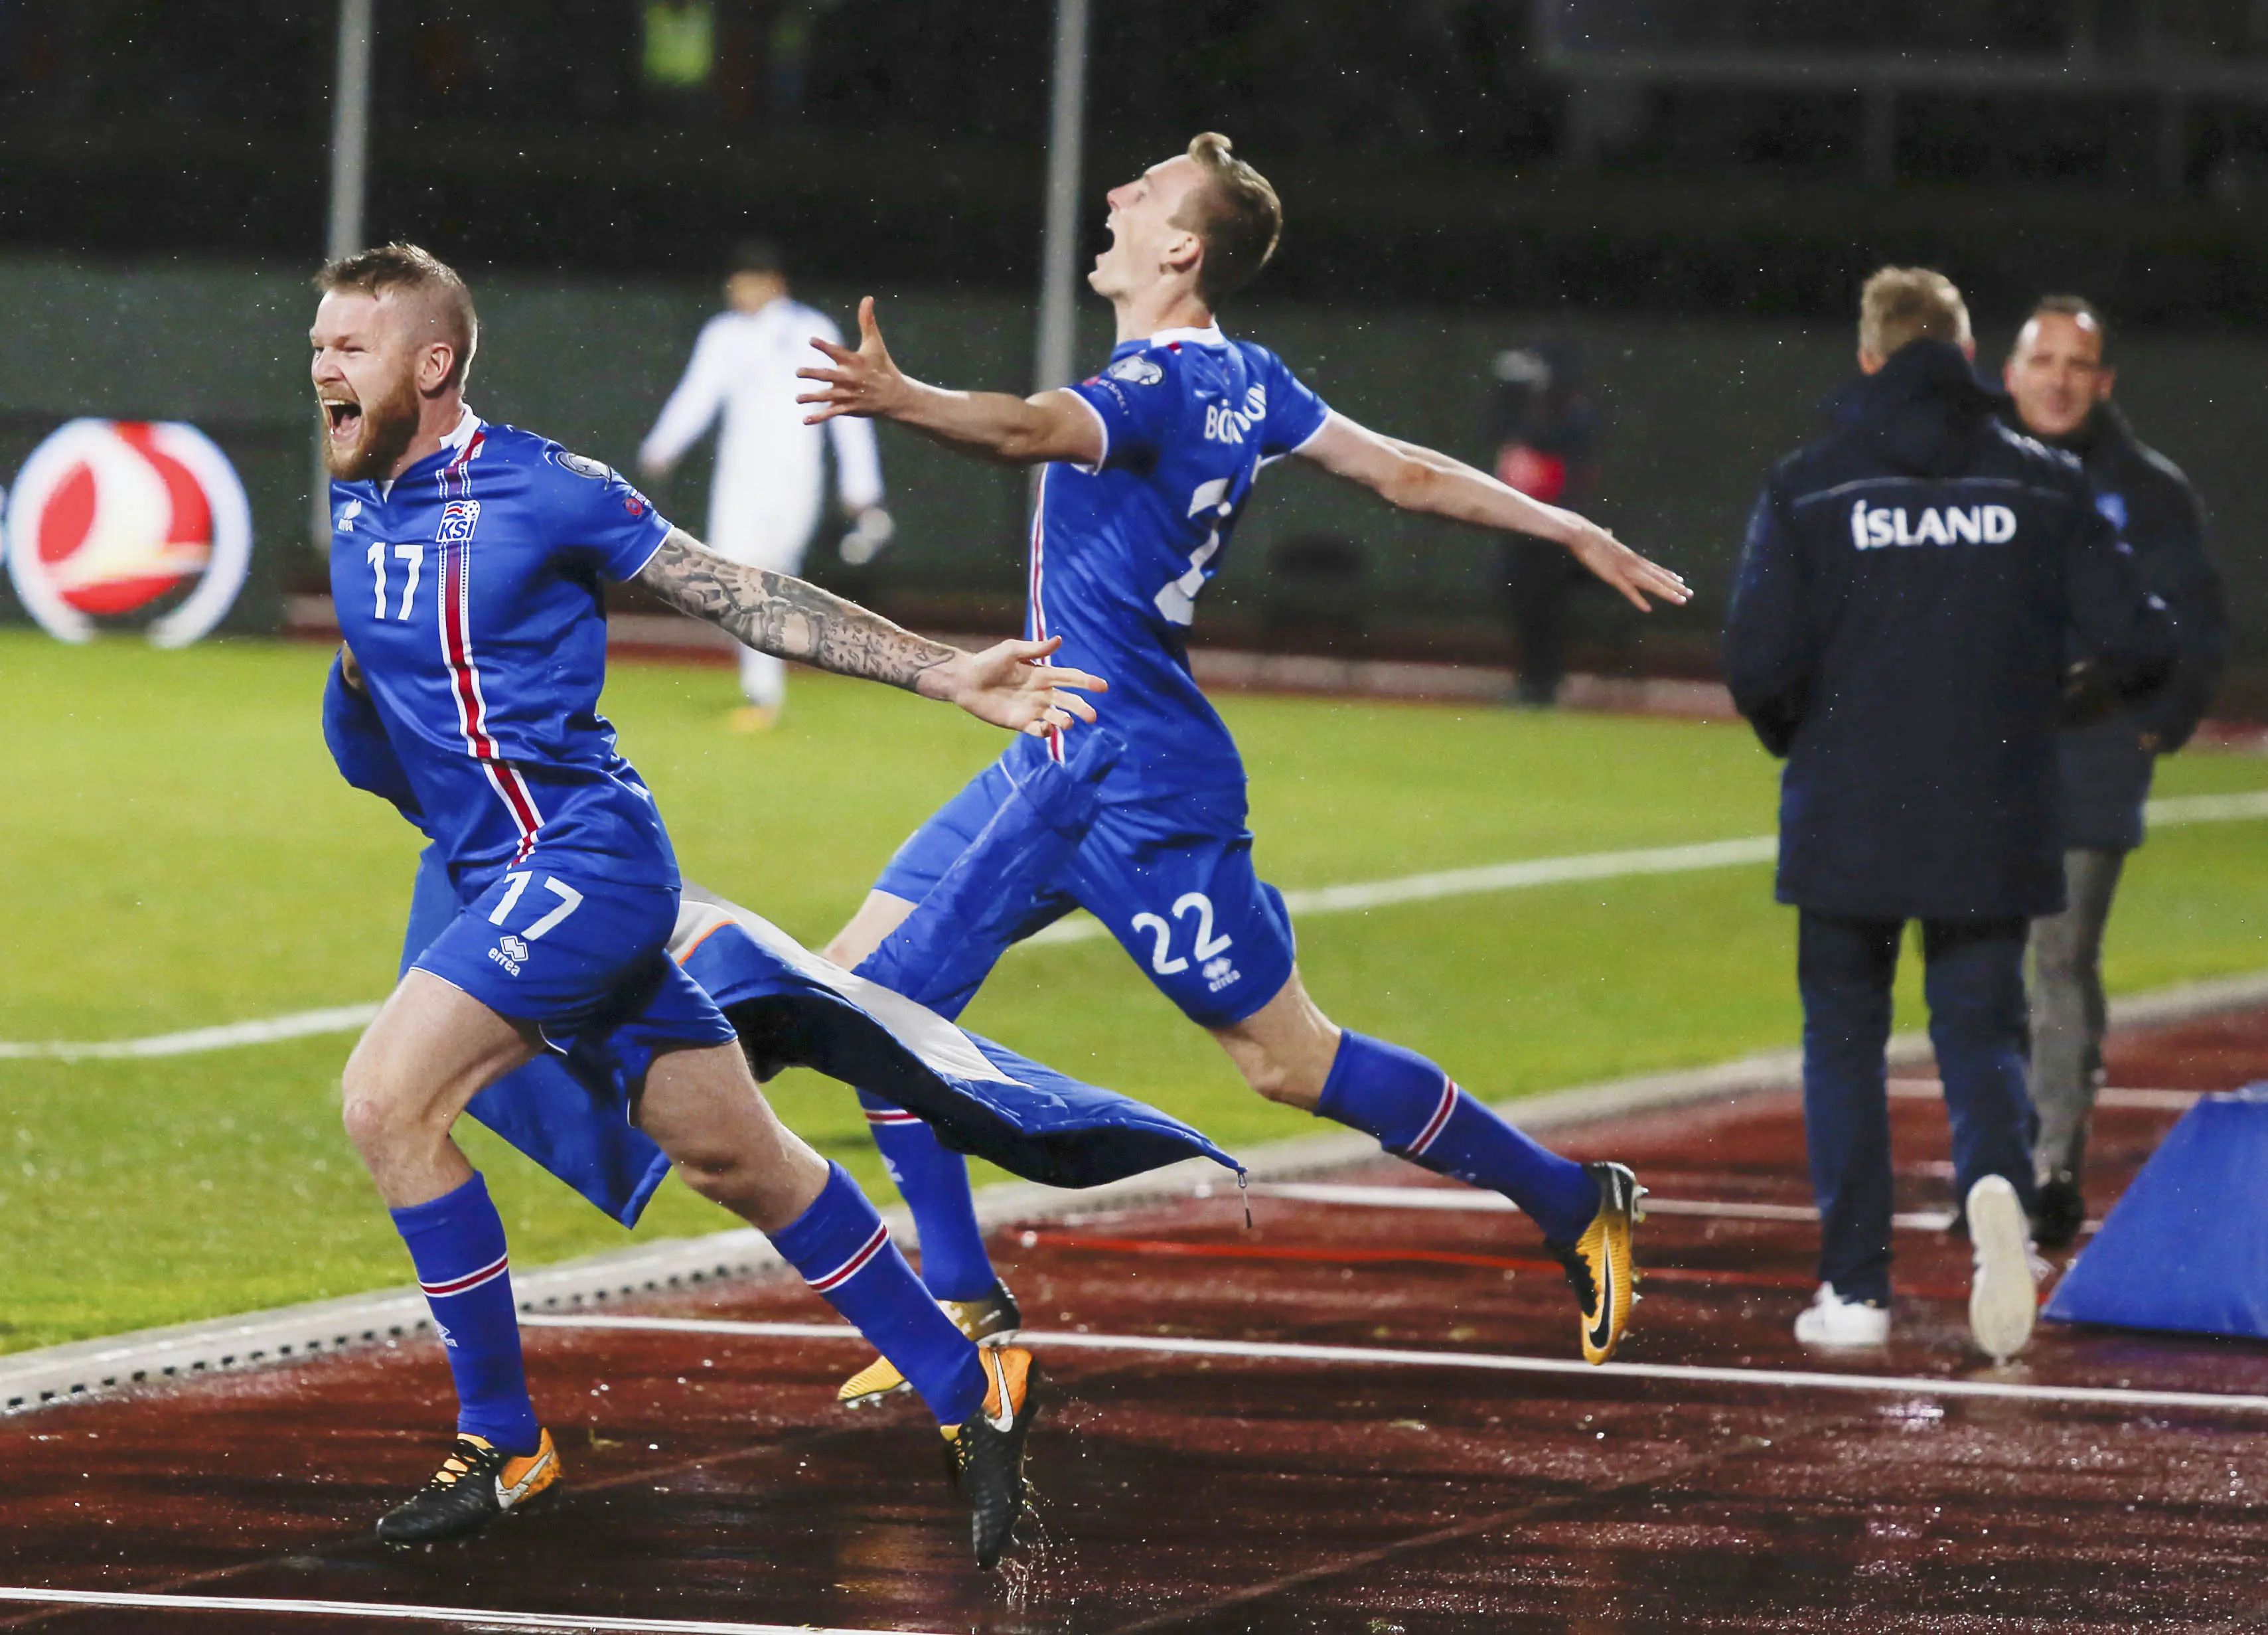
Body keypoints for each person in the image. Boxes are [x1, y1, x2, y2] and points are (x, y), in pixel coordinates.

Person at [794, 132, 1691, 1405]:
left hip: (1134, 784)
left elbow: (1023, 431)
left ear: (1182, 248)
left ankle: (1568, 1197)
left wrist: (907, 401)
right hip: (1057, 751)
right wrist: (1567, 523)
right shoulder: (1248, 378)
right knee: (854, 996)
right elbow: (1408, 475)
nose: (1112, 196)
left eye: (1143, 192)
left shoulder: (1158, 386)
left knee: (1285, 1062)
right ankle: (959, 1294)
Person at [311, 242, 1104, 1566]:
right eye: (319, 342)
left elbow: (745, 593)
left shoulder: (546, 487)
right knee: (742, 1157)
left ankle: (505, 1439)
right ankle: (972, 1391)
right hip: (501, 873)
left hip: (586, 863)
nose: (323, 366)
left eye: (351, 345)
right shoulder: (354, 506)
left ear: (432, 364)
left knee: (387, 1101)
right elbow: (379, 692)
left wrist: (941, 673)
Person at [1723, 267, 2173, 1361]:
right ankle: (1994, 1202)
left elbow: (1754, 661)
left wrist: (1807, 738)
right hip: (1993, 805)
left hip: (1849, 812)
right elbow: (2142, 640)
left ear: (1869, 358)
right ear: (1971, 360)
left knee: (1843, 1043)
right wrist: (2052, 702)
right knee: (1981, 1036)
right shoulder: (2041, 481)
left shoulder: (1808, 483)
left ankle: (1854, 1289)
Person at [2001, 296, 2228, 1249]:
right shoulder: (1961, 473)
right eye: (2040, 358)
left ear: (2102, 382)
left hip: (2092, 757)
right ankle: (1994, 1157)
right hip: (1978, 757)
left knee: (2057, 956)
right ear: (2009, 373)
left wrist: (2153, 728)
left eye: (2075, 362)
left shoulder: (2147, 488)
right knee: (1977, 969)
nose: (2056, 377)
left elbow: (2199, 623)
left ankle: (2049, 1164)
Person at [638, 239, 893, 730]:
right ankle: (764, 691)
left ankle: (768, 691)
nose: (737, 292)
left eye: (746, 282)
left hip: (796, 478)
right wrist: (662, 446)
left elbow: (845, 408)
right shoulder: (723, 334)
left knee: (770, 575)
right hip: (739, 480)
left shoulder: (813, 328)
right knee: (735, 579)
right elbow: (698, 394)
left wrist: (861, 483)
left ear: (773, 283)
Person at [1489, 340, 1600, 707]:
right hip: (1522, 523)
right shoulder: (1525, 411)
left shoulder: (1573, 412)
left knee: (1548, 606)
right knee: (1522, 602)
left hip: (1556, 525)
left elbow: (1573, 465)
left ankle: (1545, 684)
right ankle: (1530, 681)